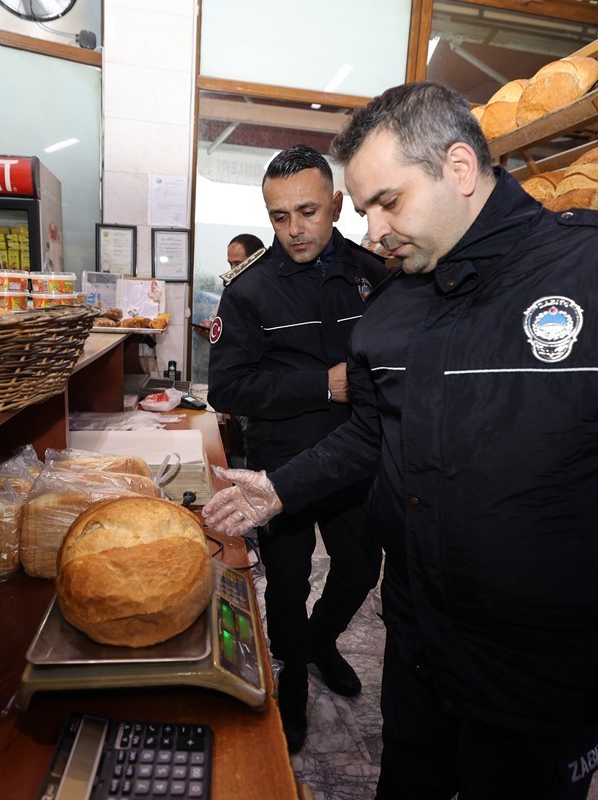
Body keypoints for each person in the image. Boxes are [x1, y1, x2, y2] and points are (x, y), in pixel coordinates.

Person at [203, 83, 598, 798]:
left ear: (459, 167)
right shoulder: (394, 305)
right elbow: (374, 432)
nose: (374, 230)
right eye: (363, 211)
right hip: (418, 638)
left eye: (387, 201)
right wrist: (280, 486)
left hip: (546, 655)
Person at [206, 144, 387, 754]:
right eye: (278, 216)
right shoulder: (249, 290)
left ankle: (318, 643)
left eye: (307, 212)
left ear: (337, 204)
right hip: (280, 464)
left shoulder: (373, 272)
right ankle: (291, 675)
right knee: (286, 585)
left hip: (353, 458)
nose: (293, 229)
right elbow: (226, 388)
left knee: (361, 568)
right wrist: (322, 384)